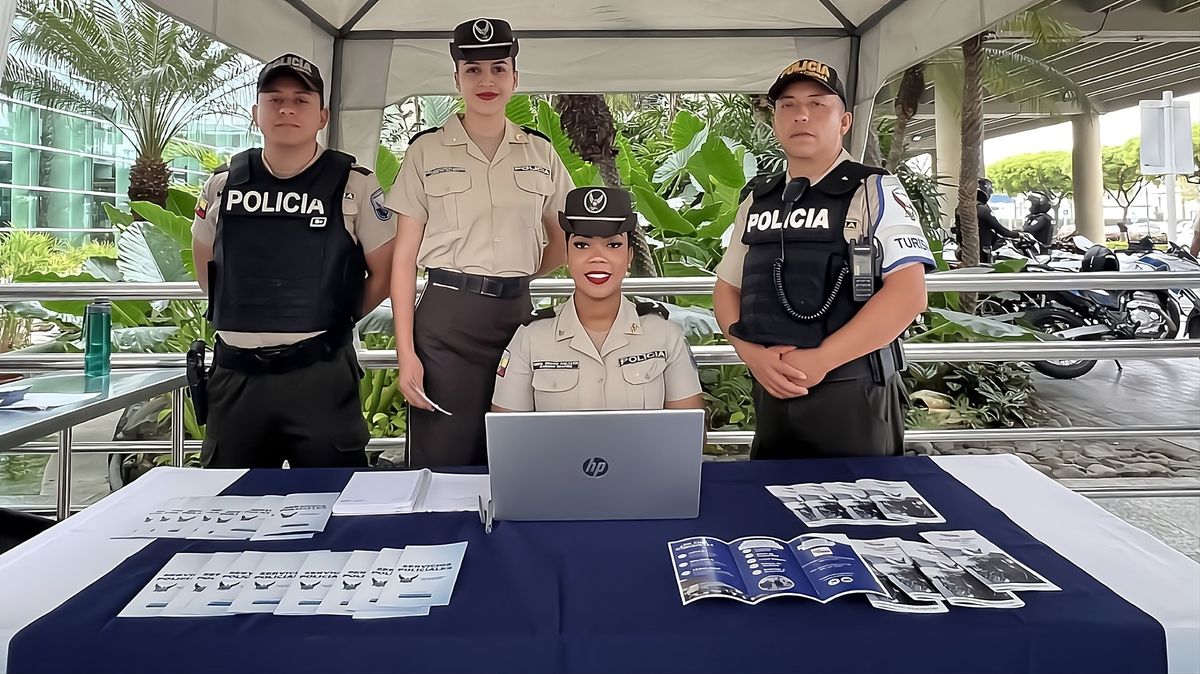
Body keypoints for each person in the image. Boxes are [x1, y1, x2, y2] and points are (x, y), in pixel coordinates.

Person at [712, 58, 933, 459]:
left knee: (862, 512)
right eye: (788, 105)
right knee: (772, 511)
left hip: (852, 390)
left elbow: (908, 294)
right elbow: (727, 287)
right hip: (772, 387)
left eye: (818, 105)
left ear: (844, 121)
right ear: (775, 120)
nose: (801, 115)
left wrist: (821, 360)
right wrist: (752, 356)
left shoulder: (874, 190)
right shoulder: (758, 197)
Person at [191, 54, 396, 468]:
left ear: (322, 116)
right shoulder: (222, 184)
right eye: (274, 99)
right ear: (255, 114)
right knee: (231, 509)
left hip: (319, 376)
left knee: (333, 507)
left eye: (301, 100)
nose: (286, 108)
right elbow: (206, 263)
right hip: (237, 378)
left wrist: (340, 317)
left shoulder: (354, 184)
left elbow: (385, 270)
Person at [386, 19, 574, 467]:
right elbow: (403, 260)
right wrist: (406, 353)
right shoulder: (425, 152)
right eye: (472, 70)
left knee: (513, 455)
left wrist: (517, 271)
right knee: (443, 456)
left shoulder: (539, 152)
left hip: (515, 318)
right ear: (456, 79)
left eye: (498, 68)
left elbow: (566, 240)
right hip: (446, 321)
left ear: (515, 78)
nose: (486, 80)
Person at [491, 187, 704, 412]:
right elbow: (508, 437)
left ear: (629, 256)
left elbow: (689, 434)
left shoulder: (665, 335)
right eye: (582, 245)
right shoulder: (530, 340)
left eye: (613, 245)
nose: (597, 258)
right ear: (567, 254)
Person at [955, 178, 1018, 262]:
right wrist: (1018, 234)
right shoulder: (982, 209)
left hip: (964, 250)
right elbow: (1002, 230)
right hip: (980, 252)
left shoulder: (960, 209)